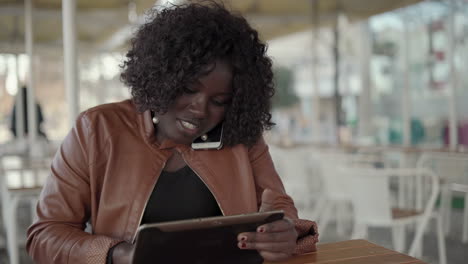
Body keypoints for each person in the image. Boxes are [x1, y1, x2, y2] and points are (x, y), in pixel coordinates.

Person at [26, 2, 318, 264]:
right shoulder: (97, 130)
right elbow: (45, 235)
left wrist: (286, 231)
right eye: (189, 89)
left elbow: (278, 206)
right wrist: (117, 254)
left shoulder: (241, 135)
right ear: (162, 77)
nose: (200, 109)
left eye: (219, 101)